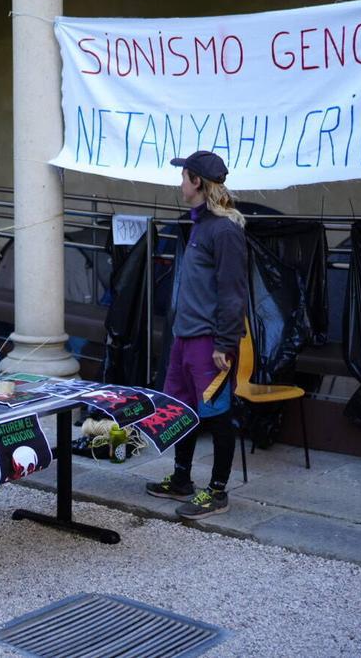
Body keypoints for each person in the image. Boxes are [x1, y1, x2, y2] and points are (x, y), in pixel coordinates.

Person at [145, 150, 249, 520]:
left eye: (183, 176)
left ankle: (217, 491)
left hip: (209, 343)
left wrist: (225, 344)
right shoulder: (201, 225)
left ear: (196, 183)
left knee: (218, 416)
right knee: (182, 411)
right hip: (184, 338)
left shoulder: (225, 230)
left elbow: (232, 292)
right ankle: (181, 480)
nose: (179, 183)